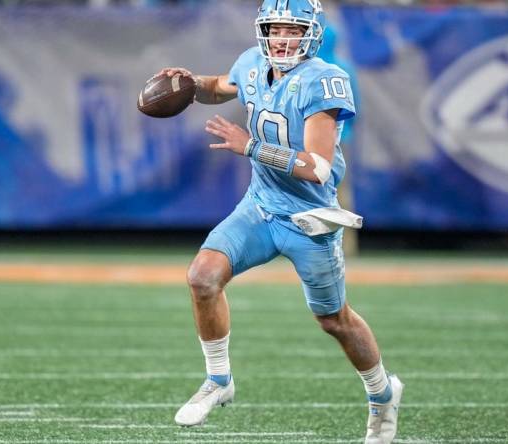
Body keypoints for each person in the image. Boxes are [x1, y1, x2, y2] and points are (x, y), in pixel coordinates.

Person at [154, 1, 403, 442]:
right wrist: (192, 85)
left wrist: (250, 147)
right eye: (275, 30)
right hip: (260, 206)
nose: (282, 39)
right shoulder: (252, 63)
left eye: (293, 30)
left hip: (309, 217)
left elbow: (317, 168)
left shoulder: (324, 80)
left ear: (312, 34)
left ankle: (382, 393)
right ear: (263, 31)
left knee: (334, 320)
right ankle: (219, 380)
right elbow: (220, 86)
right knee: (202, 277)